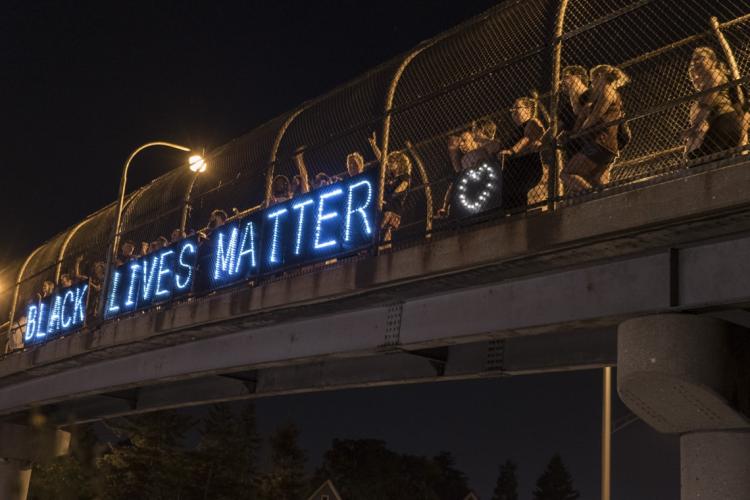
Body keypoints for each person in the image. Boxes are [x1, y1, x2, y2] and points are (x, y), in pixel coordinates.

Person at [561, 64, 629, 194]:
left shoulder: (607, 91)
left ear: (599, 77)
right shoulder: (602, 94)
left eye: (593, 80)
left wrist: (579, 132)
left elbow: (594, 117)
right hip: (606, 145)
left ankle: (591, 195)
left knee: (567, 173)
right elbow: (580, 111)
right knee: (597, 181)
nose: (592, 85)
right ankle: (604, 200)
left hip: (600, 142)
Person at [682, 47, 745, 160]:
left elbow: (708, 102)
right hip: (725, 123)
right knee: (718, 159)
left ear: (712, 61)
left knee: (697, 159)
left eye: (700, 58)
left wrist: (696, 125)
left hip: (724, 121)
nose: (695, 62)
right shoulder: (715, 78)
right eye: (693, 60)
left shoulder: (713, 74)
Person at [498, 97, 546, 210]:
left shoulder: (533, 121)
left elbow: (527, 138)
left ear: (528, 109)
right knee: (508, 197)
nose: (513, 111)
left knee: (518, 195)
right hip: (513, 171)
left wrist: (512, 151)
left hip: (527, 166)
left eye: (517, 107)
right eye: (512, 108)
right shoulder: (514, 131)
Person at [559, 65, 591, 159]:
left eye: (566, 77)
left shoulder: (591, 95)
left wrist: (574, 131)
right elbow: (558, 126)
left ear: (578, 76)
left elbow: (582, 114)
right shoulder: (567, 107)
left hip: (590, 145)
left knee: (570, 173)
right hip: (573, 150)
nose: (562, 81)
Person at [381, 151, 412, 242]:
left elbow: (403, 186)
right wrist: (374, 146)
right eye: (389, 161)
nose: (390, 163)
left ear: (399, 162)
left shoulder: (405, 176)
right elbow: (382, 160)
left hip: (395, 208)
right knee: (384, 233)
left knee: (384, 229)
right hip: (386, 205)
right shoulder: (390, 178)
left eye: (392, 161)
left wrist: (393, 194)